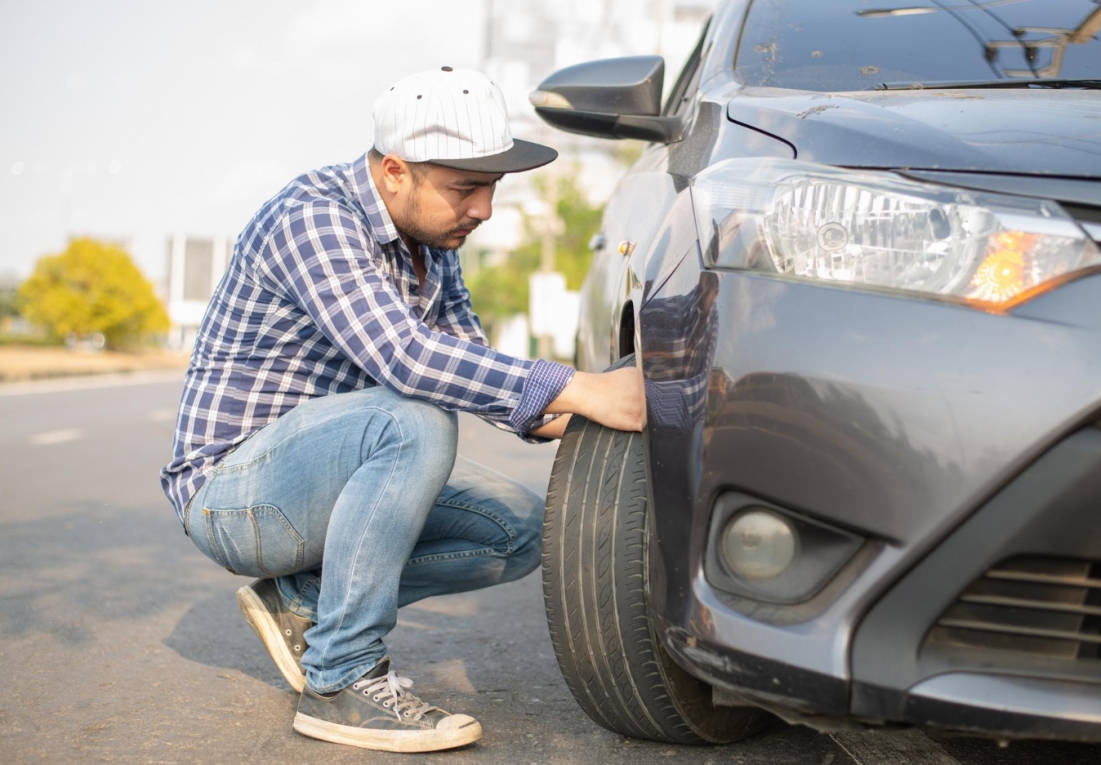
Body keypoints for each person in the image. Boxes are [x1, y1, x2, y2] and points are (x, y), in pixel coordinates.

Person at [159, 66, 642, 753]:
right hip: (236, 494)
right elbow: (408, 361)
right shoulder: (312, 215)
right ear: (393, 171)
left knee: (522, 529)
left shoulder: (431, 247)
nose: (483, 209)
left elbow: (476, 373)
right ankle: (341, 680)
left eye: (491, 188)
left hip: (328, 480)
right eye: (464, 188)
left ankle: (306, 604)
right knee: (411, 419)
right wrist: (580, 383)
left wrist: (621, 412)